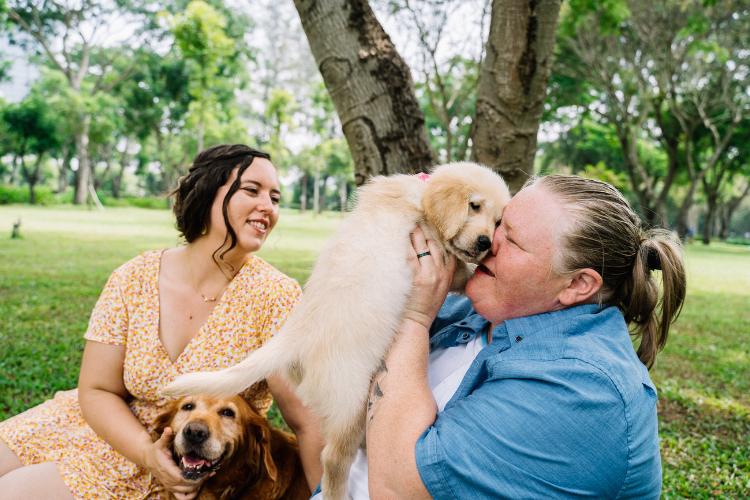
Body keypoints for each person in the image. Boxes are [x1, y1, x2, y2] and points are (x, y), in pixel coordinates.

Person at [315, 174, 686, 499]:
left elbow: (397, 490)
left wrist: (412, 317)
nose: (489, 241)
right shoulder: (482, 311)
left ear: (577, 285)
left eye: (514, 241)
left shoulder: (585, 391)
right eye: (499, 223)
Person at [0, 145, 324, 500]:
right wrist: (144, 452)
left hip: (187, 462)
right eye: (252, 190)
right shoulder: (133, 277)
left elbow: (308, 422)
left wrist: (327, 495)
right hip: (100, 425)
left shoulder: (276, 297)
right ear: (207, 191)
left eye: (275, 197)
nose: (269, 207)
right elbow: (96, 389)